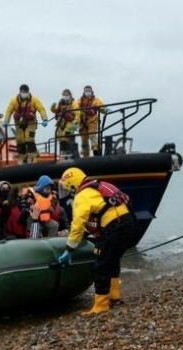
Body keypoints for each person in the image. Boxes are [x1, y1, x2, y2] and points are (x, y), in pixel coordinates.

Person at [57, 167, 136, 315]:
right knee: (110, 258)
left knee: (102, 263)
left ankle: (101, 304)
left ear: (72, 185)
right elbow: (98, 216)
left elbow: (78, 224)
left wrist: (69, 249)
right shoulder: (98, 186)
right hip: (127, 223)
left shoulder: (82, 196)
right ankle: (114, 295)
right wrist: (86, 235)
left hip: (115, 226)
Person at [2, 84, 49, 164]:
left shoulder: (34, 100)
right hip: (19, 123)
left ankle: (34, 157)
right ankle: (22, 158)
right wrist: (6, 121)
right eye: (22, 92)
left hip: (31, 123)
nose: (24, 93)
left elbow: (41, 109)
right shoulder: (14, 100)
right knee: (20, 140)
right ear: (20, 92)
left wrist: (44, 119)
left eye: (26, 92)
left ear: (28, 92)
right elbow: (8, 111)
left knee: (29, 139)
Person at [77, 85, 111, 157]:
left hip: (92, 120)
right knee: (84, 140)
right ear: (84, 91)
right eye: (86, 91)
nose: (88, 92)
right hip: (82, 122)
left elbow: (100, 105)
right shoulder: (80, 100)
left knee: (92, 135)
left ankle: (96, 152)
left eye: (89, 90)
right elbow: (75, 107)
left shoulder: (95, 100)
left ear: (91, 91)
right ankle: (85, 156)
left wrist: (105, 109)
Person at [50, 89, 80, 156]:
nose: (65, 96)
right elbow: (56, 111)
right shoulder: (61, 102)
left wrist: (75, 123)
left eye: (67, 95)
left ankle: (68, 154)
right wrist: (52, 107)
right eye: (64, 95)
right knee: (60, 138)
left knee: (66, 139)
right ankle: (64, 154)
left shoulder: (73, 103)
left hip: (69, 124)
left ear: (70, 95)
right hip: (60, 123)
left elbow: (77, 113)